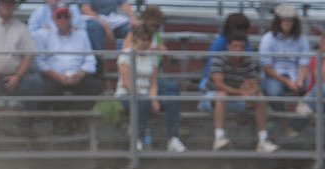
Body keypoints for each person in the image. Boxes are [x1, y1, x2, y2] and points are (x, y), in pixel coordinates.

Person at [203, 32, 278, 152]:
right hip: (212, 96)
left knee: (260, 99)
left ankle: (263, 140)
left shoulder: (249, 61)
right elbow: (219, 85)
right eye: (235, 46)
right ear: (228, 46)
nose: (238, 50)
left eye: (242, 47)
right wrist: (241, 92)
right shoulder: (218, 59)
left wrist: (252, 91)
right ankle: (219, 138)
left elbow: (253, 84)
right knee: (221, 95)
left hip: (238, 97)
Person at [115, 24, 186, 152]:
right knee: (142, 102)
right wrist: (144, 97)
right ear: (135, 39)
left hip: (147, 93)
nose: (146, 43)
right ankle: (137, 139)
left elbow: (153, 83)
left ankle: (173, 138)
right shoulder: (125, 55)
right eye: (143, 39)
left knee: (172, 100)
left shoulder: (152, 55)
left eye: (148, 40)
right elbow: (126, 83)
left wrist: (153, 99)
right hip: (126, 94)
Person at [33, 4, 101, 108]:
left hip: (78, 76)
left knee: (95, 86)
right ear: (53, 19)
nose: (63, 19)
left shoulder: (81, 34)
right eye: (59, 16)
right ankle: (62, 119)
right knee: (44, 87)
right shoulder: (43, 34)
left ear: (71, 17)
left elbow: (90, 59)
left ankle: (75, 118)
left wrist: (80, 74)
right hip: (54, 77)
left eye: (66, 16)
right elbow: (40, 62)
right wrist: (58, 77)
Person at [259, 3, 310, 116]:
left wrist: (300, 80)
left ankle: (297, 120)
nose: (287, 23)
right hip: (274, 76)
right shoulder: (268, 38)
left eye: (290, 20)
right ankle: (283, 118)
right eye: (284, 20)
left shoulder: (302, 39)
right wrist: (287, 82)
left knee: (309, 87)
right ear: (278, 21)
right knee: (274, 91)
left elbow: (304, 63)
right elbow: (267, 68)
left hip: (296, 75)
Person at [198, 12, 252, 92]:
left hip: (238, 80)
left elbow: (249, 66)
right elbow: (211, 69)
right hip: (217, 80)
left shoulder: (246, 44)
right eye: (241, 29)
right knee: (221, 94)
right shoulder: (219, 43)